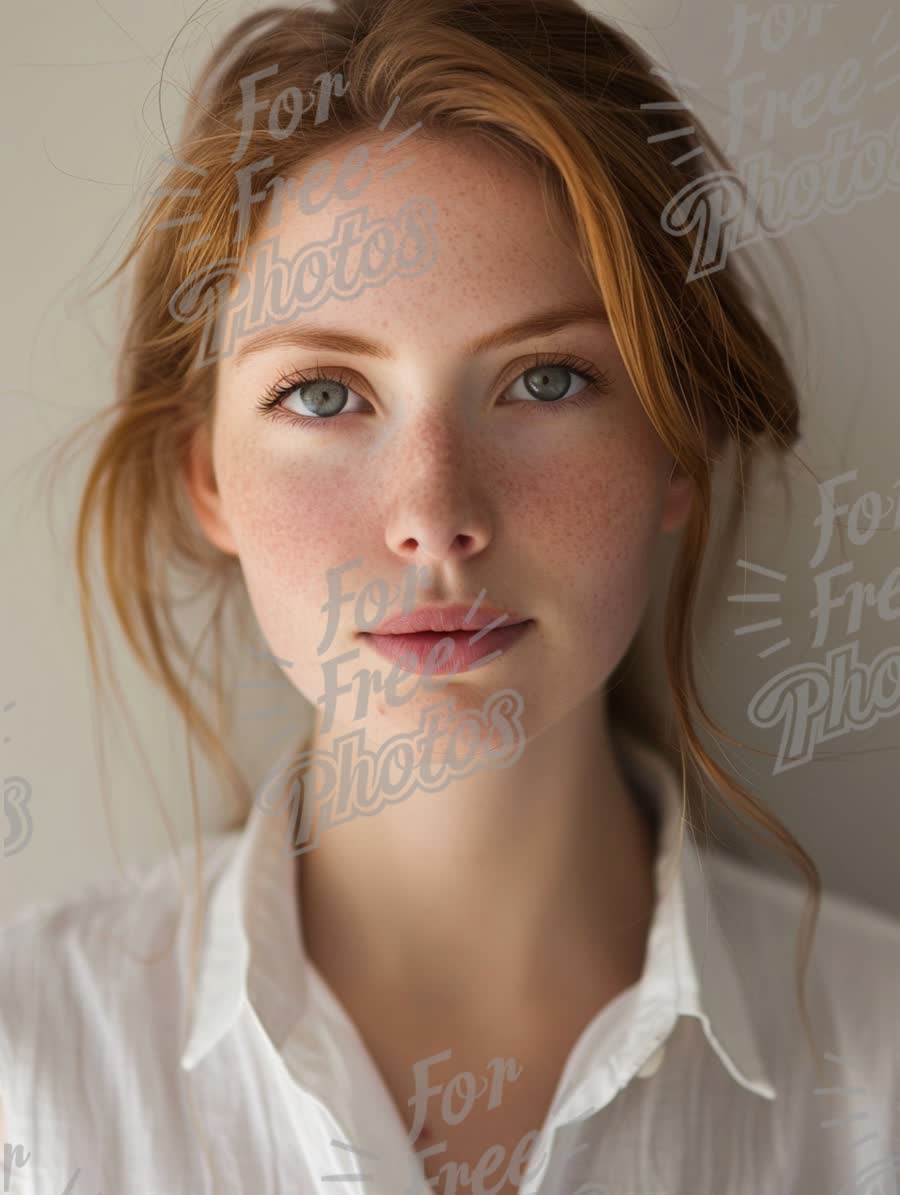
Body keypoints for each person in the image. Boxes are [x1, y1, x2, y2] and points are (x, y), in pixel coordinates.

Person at [2, 0, 898, 1192]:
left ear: (675, 449)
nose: (435, 511)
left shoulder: (879, 1080)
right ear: (207, 476)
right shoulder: (28, 1075)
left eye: (546, 378)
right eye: (325, 394)